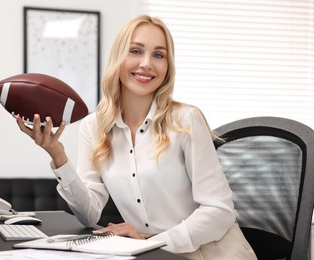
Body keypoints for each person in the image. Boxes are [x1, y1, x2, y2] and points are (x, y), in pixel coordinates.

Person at [16, 15, 257, 259]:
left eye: (158, 55)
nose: (146, 64)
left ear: (167, 66)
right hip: (149, 251)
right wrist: (58, 155)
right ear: (119, 58)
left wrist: (153, 243)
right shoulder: (94, 126)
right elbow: (89, 215)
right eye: (136, 51)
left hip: (211, 251)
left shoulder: (185, 120)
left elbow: (220, 210)